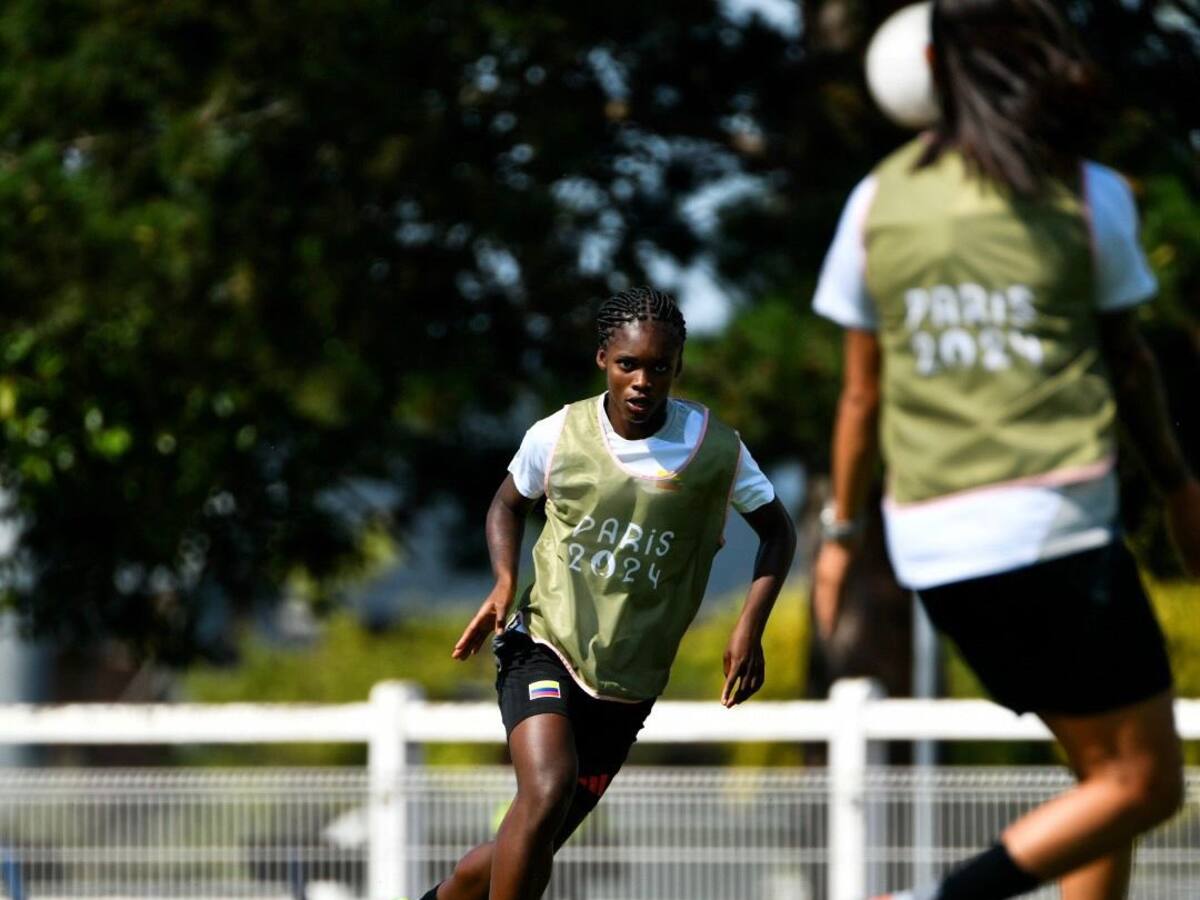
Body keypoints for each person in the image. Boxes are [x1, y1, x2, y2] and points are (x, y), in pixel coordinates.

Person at [810, 1, 1200, 898]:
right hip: (1055, 532)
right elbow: (1130, 365)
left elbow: (861, 394)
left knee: (1099, 777)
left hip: (938, 554)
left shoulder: (875, 202)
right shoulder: (1087, 192)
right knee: (1146, 783)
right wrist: (1179, 490)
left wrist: (839, 535)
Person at [417, 286, 796, 900]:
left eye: (659, 366)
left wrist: (749, 625)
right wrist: (505, 580)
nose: (643, 380)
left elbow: (778, 532)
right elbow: (507, 504)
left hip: (628, 681)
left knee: (516, 850)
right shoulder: (559, 434)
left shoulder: (716, 449)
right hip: (543, 642)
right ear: (603, 361)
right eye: (628, 364)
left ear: (678, 367)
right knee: (545, 790)